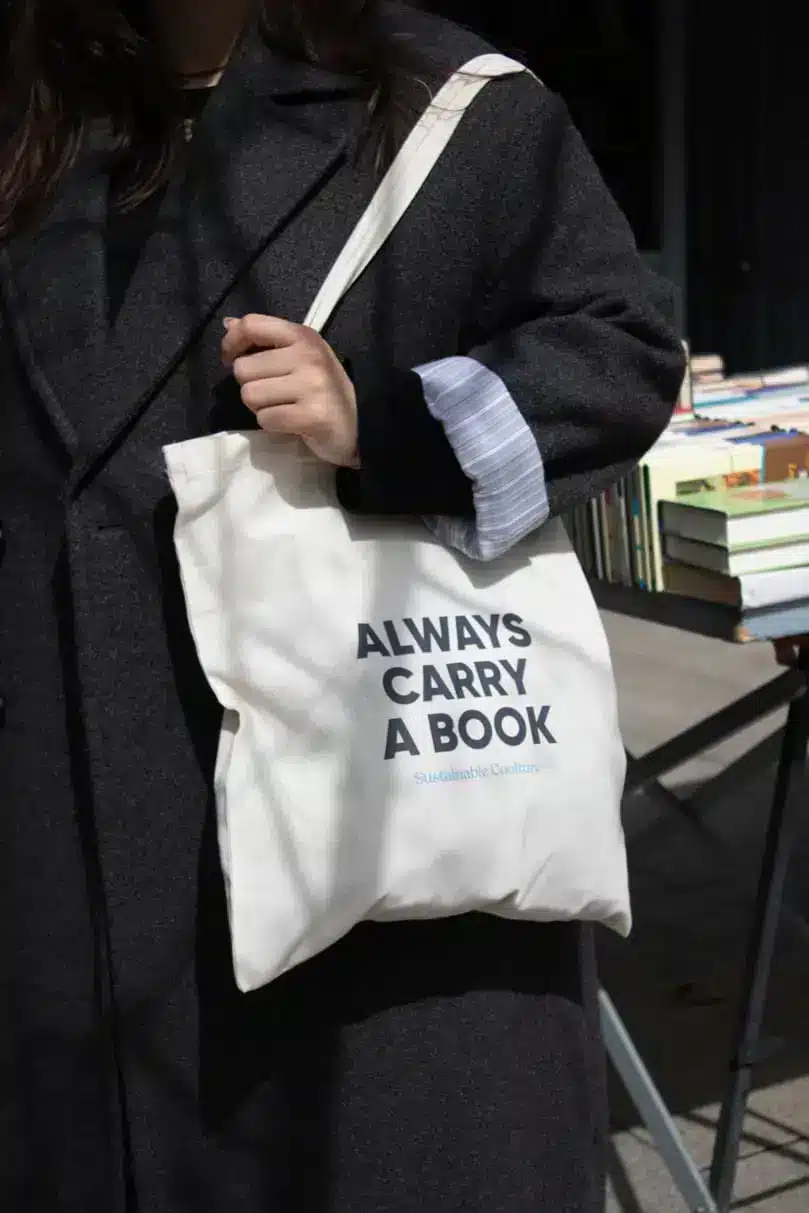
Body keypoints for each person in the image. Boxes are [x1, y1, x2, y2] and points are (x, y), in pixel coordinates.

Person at [0, 2, 685, 1210]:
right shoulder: (35, 106)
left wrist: (385, 420)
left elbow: (618, 353)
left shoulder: (444, 102)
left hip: (365, 869)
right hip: (61, 836)